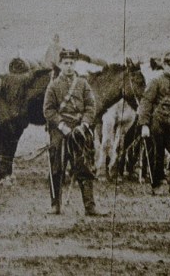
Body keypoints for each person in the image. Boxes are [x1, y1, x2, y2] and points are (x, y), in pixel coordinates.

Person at [43, 48, 106, 216]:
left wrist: (84, 125)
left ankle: (90, 207)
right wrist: (61, 125)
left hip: (79, 129)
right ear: (60, 64)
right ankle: (55, 205)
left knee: (84, 165)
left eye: (71, 63)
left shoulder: (83, 84)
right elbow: (48, 110)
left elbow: (91, 107)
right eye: (66, 63)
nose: (69, 66)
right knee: (56, 166)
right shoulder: (54, 85)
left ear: (75, 64)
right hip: (60, 129)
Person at [138, 51, 170, 195]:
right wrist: (144, 124)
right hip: (157, 121)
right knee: (157, 153)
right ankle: (157, 184)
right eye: (169, 65)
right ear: (164, 65)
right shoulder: (156, 82)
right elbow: (146, 103)